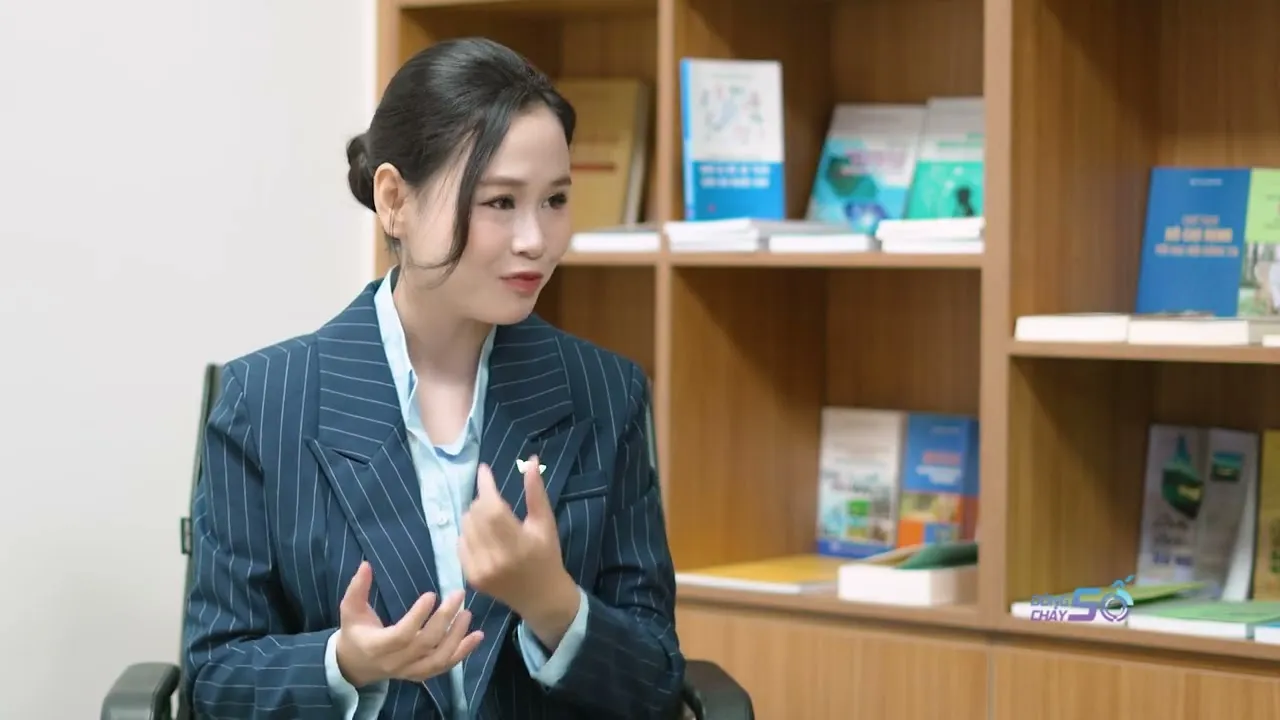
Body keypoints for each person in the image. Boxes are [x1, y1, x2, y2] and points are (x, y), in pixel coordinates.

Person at [182, 37, 685, 719]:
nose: (536, 239)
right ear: (395, 199)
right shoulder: (265, 402)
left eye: (556, 199)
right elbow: (215, 680)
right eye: (499, 202)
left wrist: (553, 604)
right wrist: (346, 662)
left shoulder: (605, 393)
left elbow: (657, 684)